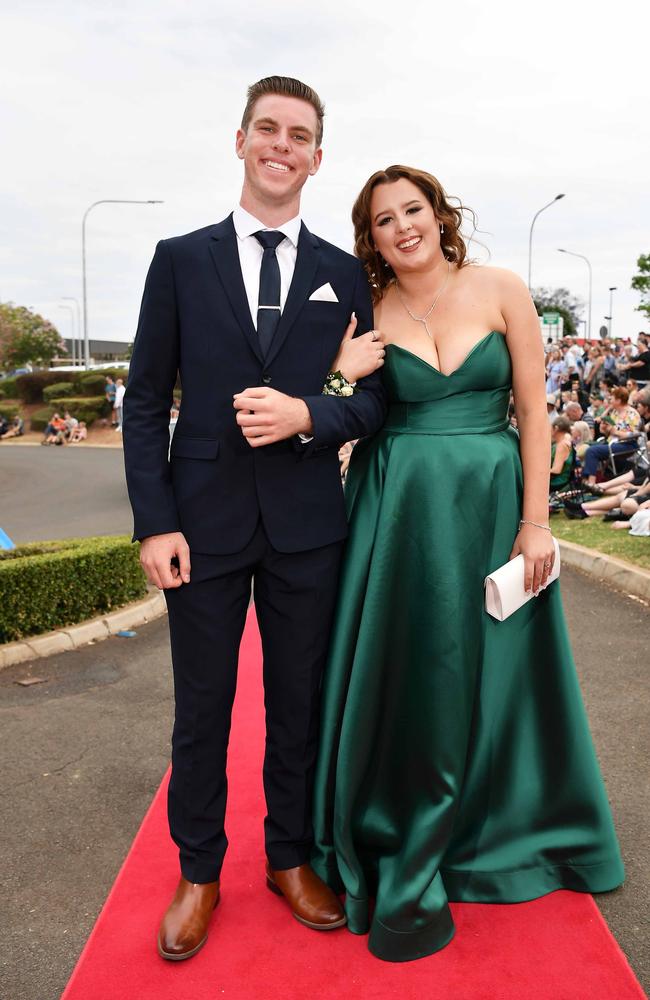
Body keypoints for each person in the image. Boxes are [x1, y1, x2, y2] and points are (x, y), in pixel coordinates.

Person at [311, 165, 624, 962]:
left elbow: (532, 406)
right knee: (410, 666)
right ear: (371, 238)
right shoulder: (367, 311)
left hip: (491, 509)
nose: (402, 227)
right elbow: (336, 405)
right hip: (396, 512)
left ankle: (512, 826)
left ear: (438, 214)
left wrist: (535, 520)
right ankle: (395, 813)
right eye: (384, 220)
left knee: (498, 666)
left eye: (412, 209)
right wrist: (342, 369)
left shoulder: (500, 288)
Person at [122, 76, 386, 962]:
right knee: (203, 709)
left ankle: (289, 858)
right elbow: (146, 397)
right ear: (240, 141)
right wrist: (154, 523)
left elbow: (372, 403)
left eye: (300, 134)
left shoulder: (345, 276)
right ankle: (199, 872)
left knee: (299, 706)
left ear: (319, 156)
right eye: (267, 129)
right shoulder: (180, 258)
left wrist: (315, 408)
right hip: (199, 527)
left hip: (310, 526)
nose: (282, 145)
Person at [581, 386, 642, 487]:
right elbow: (609, 432)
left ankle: (591, 483)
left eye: (612, 399)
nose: (609, 401)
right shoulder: (615, 412)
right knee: (587, 446)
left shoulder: (632, 414)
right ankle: (585, 480)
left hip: (627, 444)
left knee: (592, 451)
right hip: (613, 442)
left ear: (618, 400)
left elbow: (635, 434)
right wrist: (605, 429)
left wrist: (615, 432)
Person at [549, 415, 574, 491]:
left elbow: (556, 470)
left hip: (557, 483)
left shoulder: (562, 445)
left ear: (556, 428)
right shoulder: (563, 442)